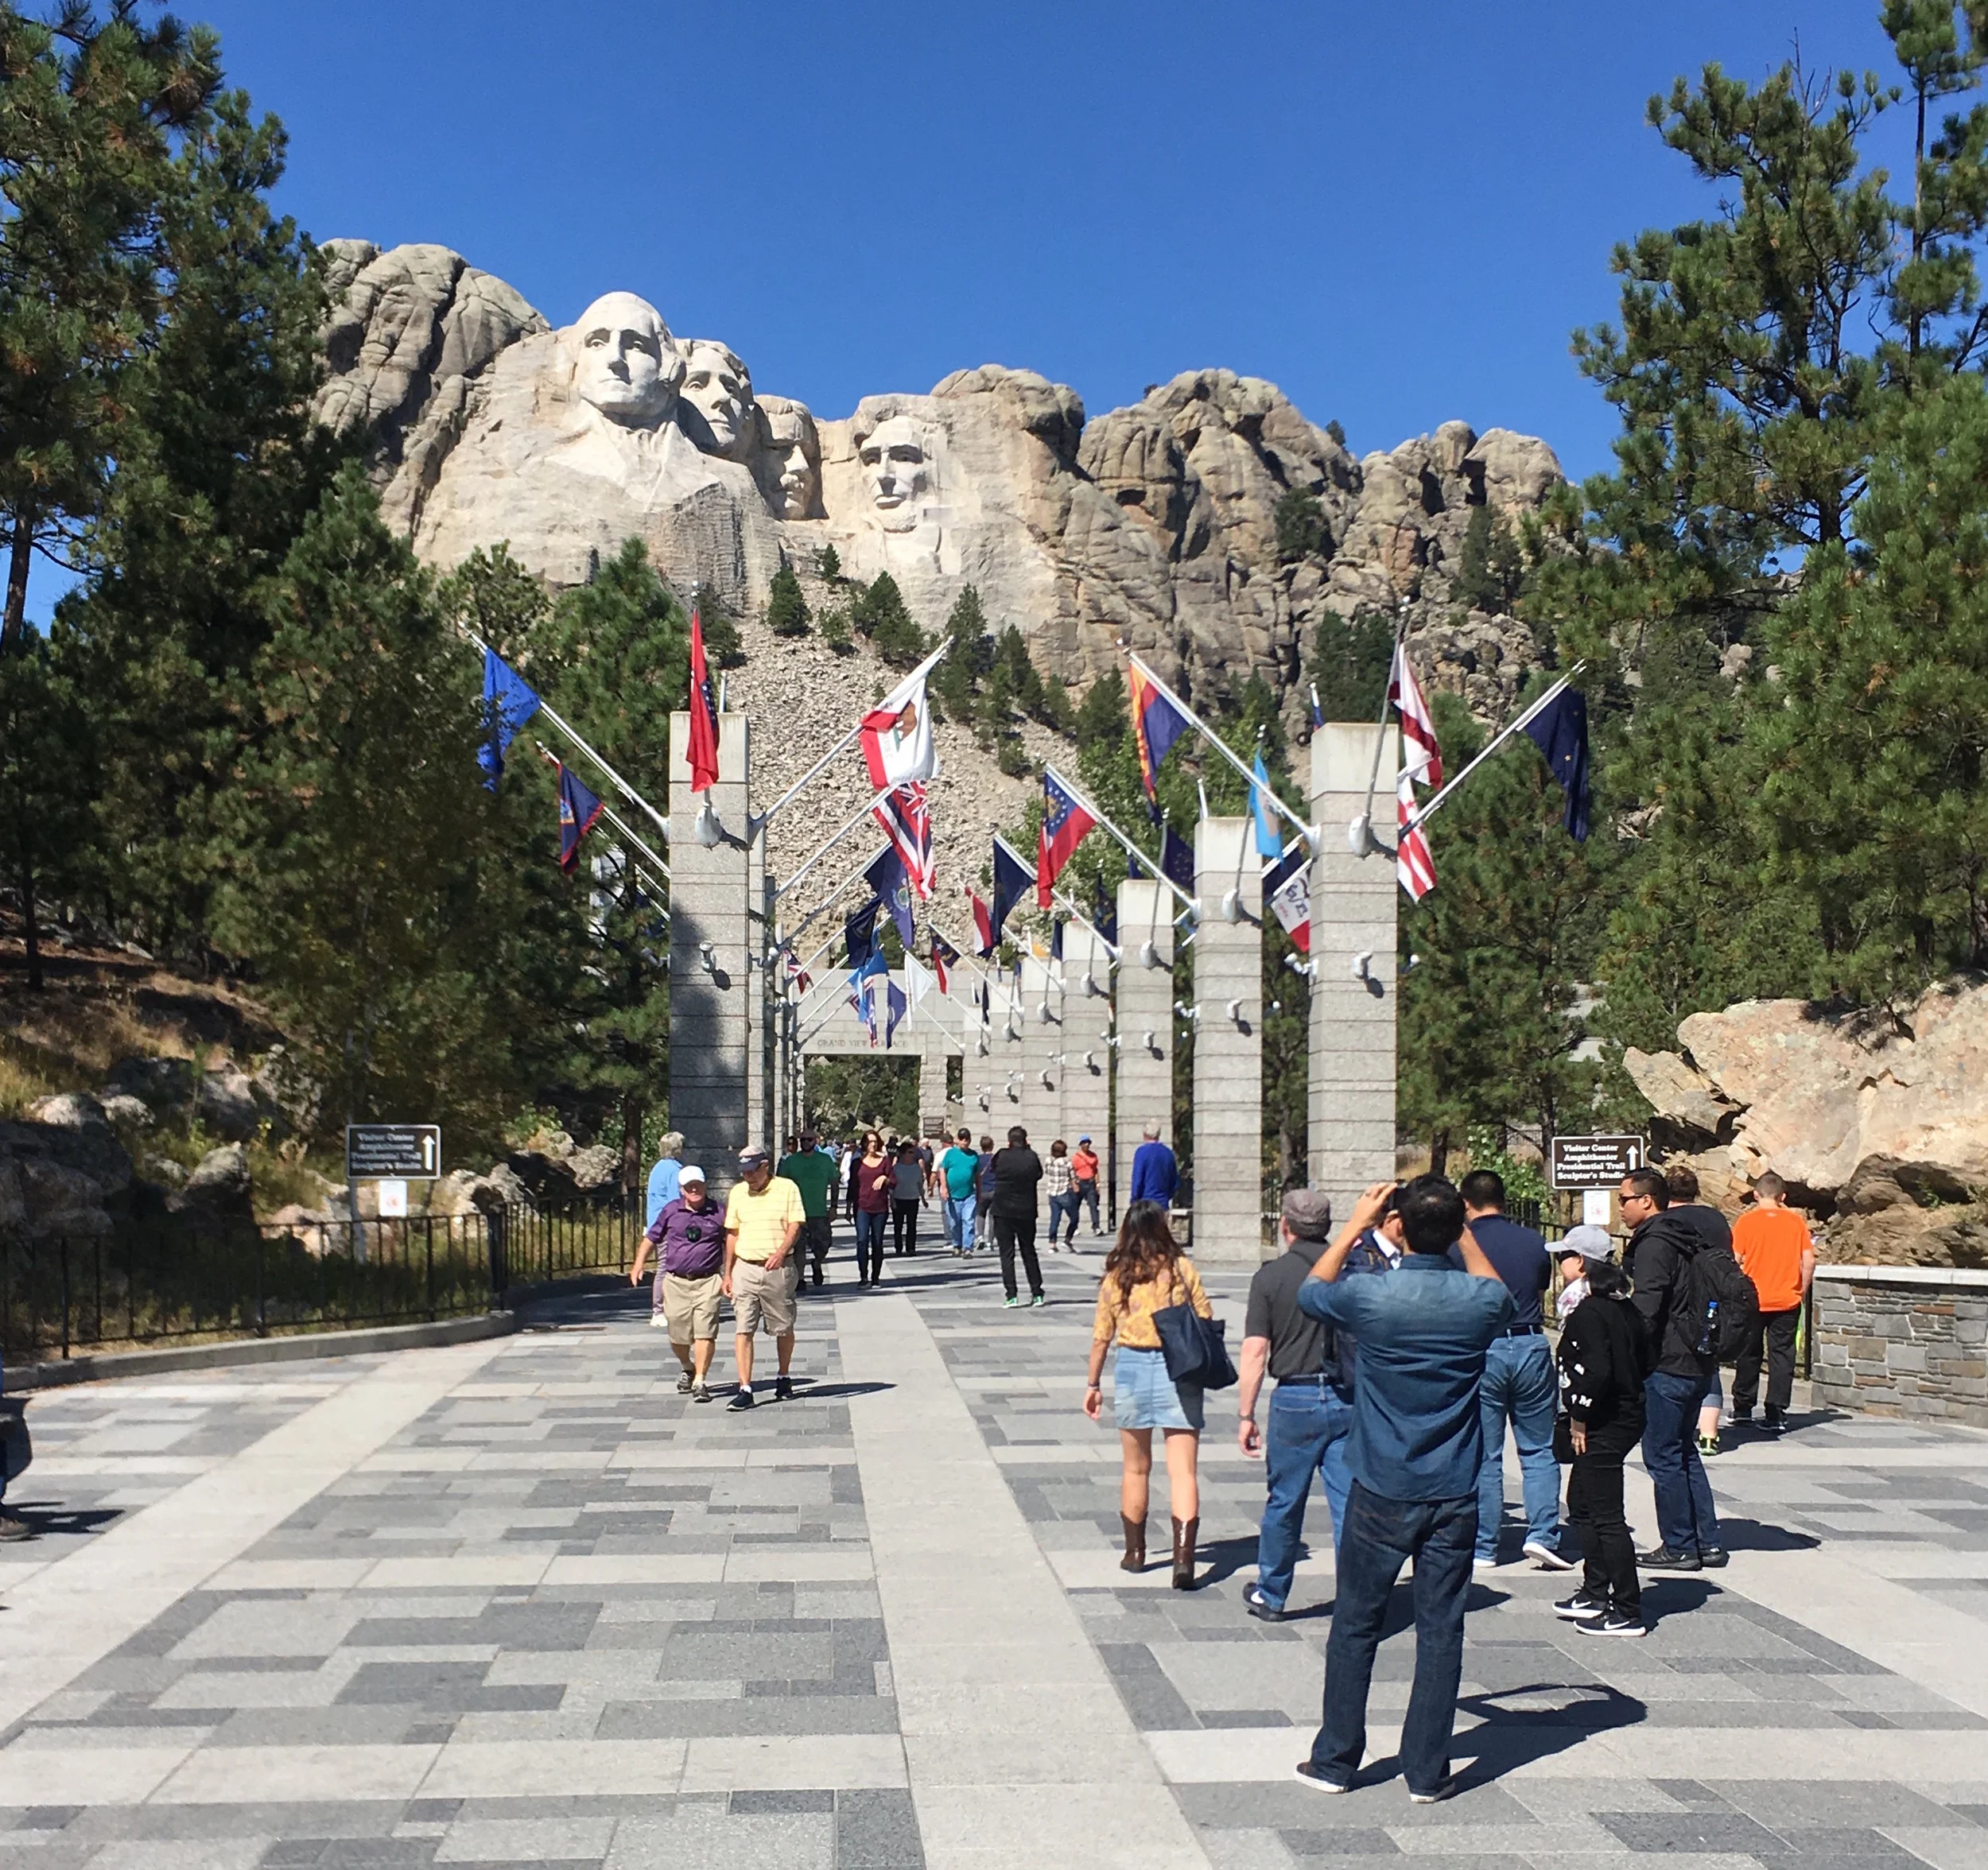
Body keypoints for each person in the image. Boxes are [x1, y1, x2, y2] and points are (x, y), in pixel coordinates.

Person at [1291, 1177, 1513, 1803]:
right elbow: (1499, 1291)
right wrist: (1461, 1230)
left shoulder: (1372, 1296)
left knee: (1356, 1624)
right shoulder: (1477, 1301)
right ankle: (1426, 1771)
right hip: (1453, 1484)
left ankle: (1337, 1759)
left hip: (1382, 1481)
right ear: (1456, 1227)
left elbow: (1313, 1293)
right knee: (1440, 1630)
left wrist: (1357, 1222)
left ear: (1400, 1226)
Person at [1237, 1189, 1358, 1622]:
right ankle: (1355, 1599)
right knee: (1348, 1503)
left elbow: (1254, 1351)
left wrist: (1246, 1414)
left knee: (1285, 1500)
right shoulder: (1349, 1270)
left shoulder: (1270, 1277)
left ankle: (1272, 1593)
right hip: (1348, 1395)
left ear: (1285, 1226)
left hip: (1295, 1396)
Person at [1083, 1199, 1212, 1588]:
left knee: (1135, 1467)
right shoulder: (1180, 1269)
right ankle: (1184, 1560)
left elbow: (1101, 1337)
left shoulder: (1117, 1275)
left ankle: (1135, 1552)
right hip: (1180, 1369)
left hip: (1133, 1369)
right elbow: (1204, 1318)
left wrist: (1092, 1385)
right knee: (1183, 1471)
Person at [1620, 1166, 1729, 1571]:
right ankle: (1708, 1542)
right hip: (1698, 1358)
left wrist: (1626, 1352)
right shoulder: (1688, 1236)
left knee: (1663, 1456)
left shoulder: (1656, 1242)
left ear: (1646, 1200)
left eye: (1624, 1201)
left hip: (1667, 1362)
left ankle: (1680, 1545)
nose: (1621, 1210)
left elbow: (1647, 1308)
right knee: (1684, 1454)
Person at [1459, 1170, 1568, 1573]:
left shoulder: (1465, 1243)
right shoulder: (1533, 1240)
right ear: (1503, 1200)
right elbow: (1540, 1286)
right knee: (1538, 1448)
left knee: (1486, 1454)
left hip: (1483, 1346)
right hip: (1530, 1342)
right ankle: (1542, 1535)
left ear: (1467, 1204)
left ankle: (1485, 1545)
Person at [1552, 1231, 1650, 1636]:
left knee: (1607, 1516)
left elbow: (1597, 1372)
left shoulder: (1590, 1313)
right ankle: (1595, 1592)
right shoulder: (1625, 1309)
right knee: (1582, 1503)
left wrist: (1578, 1418)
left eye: (1565, 1259)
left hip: (1604, 1421)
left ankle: (1627, 1607)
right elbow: (1646, 1360)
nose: (1560, 1267)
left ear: (1581, 1265)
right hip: (1622, 1414)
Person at [1730, 1170, 1815, 1434]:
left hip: (1753, 1298)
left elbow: (1734, 1259)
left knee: (1748, 1352)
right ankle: (1776, 1411)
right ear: (1783, 1196)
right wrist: (1801, 1289)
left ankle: (1743, 1407)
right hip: (1786, 1299)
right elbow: (1809, 1261)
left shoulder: (1746, 1222)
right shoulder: (1796, 1222)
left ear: (1756, 1194)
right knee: (1782, 1355)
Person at [631, 1164, 723, 1401]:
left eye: (698, 1185)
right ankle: (687, 1366)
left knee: (705, 1332)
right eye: (689, 1186)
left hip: (708, 1281)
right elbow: (651, 1237)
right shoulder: (671, 1211)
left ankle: (701, 1380)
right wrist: (639, 1263)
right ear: (681, 1189)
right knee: (678, 1335)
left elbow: (734, 1239)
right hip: (676, 1282)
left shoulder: (718, 1211)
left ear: (705, 1185)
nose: (694, 1189)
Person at [722, 1144, 804, 1410]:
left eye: (753, 1171)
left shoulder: (787, 1188)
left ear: (765, 1166)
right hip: (745, 1267)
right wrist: (728, 1273)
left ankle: (783, 1376)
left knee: (783, 1326)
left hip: (778, 1268)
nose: (749, 1177)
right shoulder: (737, 1193)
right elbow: (732, 1233)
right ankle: (745, 1387)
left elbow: (795, 1225)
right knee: (743, 1327)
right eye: (744, 1172)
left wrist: (782, 1252)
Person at [989, 1125, 1046, 1308]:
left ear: (1009, 1141)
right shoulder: (1032, 1157)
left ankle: (1011, 1295)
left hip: (1003, 1210)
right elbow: (1038, 1174)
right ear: (1025, 1140)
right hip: (1026, 1211)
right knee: (1029, 1251)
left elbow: (994, 1171)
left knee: (1007, 1254)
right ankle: (1037, 1293)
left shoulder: (1001, 1155)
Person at [776, 1131, 838, 1291]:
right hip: (797, 1213)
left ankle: (817, 1263)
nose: (805, 1142)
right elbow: (781, 1186)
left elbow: (834, 1182)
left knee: (824, 1244)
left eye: (809, 1139)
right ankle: (801, 1278)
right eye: (802, 1140)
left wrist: (833, 1206)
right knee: (799, 1247)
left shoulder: (825, 1160)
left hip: (819, 1212)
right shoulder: (791, 1162)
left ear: (815, 1141)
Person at [852, 1131, 892, 1284]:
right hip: (862, 1206)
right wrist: (849, 1207)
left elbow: (894, 1181)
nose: (873, 1145)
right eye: (869, 1142)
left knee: (877, 1242)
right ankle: (863, 1276)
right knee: (862, 1241)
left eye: (875, 1142)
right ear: (864, 1144)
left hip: (880, 1208)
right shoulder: (857, 1162)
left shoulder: (885, 1161)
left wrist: (884, 1178)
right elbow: (853, 1186)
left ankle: (876, 1277)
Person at [938, 1128, 979, 1255]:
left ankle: (968, 1247)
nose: (964, 1142)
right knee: (955, 1222)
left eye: (967, 1139)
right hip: (953, 1195)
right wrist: (944, 1188)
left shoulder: (973, 1156)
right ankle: (957, 1244)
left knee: (969, 1220)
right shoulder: (950, 1154)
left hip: (969, 1194)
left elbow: (977, 1175)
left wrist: (980, 1191)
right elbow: (942, 1170)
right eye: (962, 1139)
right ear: (957, 1140)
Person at [1129, 1119, 1178, 1208]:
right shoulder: (1168, 1153)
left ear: (1144, 1134)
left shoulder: (1141, 1153)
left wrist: (1134, 1200)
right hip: (1162, 1204)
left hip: (1145, 1205)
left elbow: (1137, 1180)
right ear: (1159, 1134)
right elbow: (1174, 1182)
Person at [645, 1131, 685, 1230]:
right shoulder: (674, 1170)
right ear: (677, 1149)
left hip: (655, 1221)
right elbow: (674, 1200)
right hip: (666, 1224)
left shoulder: (658, 1167)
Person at [890, 1141, 925, 1255]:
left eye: (913, 1152)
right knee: (898, 1226)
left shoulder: (916, 1168)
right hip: (899, 1199)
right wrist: (892, 1200)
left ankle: (911, 1248)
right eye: (910, 1152)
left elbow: (919, 1184)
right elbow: (891, 1186)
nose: (912, 1155)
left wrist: (923, 1198)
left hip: (913, 1199)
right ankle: (898, 1247)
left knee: (912, 1225)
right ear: (903, 1154)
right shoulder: (895, 1169)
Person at [1044, 1139, 1077, 1248]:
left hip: (1052, 1193)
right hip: (1064, 1192)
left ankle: (1052, 1243)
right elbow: (1073, 1177)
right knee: (1074, 1217)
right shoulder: (1067, 1161)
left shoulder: (1048, 1160)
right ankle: (1067, 1239)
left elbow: (1047, 1172)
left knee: (1055, 1218)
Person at [1070, 1136, 1102, 1236]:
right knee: (1075, 1206)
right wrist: (1074, 1183)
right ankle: (1074, 1227)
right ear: (1080, 1145)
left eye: (1088, 1143)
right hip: (1080, 1182)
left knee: (1093, 1205)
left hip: (1090, 1182)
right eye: (1084, 1143)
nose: (1087, 1145)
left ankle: (1096, 1227)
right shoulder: (1076, 1157)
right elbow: (1072, 1171)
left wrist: (1098, 1184)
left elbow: (1095, 1170)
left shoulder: (1093, 1156)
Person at [975, 1136, 998, 1251]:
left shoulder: (977, 1159)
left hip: (981, 1190)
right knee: (992, 1216)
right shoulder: (996, 1159)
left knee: (980, 1214)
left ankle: (980, 1237)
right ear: (992, 1145)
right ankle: (990, 1242)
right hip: (994, 1190)